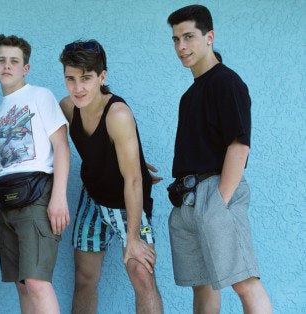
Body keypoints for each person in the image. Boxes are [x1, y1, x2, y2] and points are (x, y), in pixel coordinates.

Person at [166, 5, 272, 313]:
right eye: (175, 39)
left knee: (244, 281)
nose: (181, 47)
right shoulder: (190, 96)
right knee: (202, 286)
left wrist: (219, 202)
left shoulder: (226, 82)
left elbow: (239, 146)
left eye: (189, 37)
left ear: (209, 37)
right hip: (187, 199)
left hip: (215, 193)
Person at [59, 39, 164, 313]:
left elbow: (133, 180)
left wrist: (132, 240)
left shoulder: (117, 114)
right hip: (92, 197)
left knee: (142, 274)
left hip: (126, 200)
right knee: (84, 278)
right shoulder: (68, 108)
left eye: (86, 78)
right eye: (70, 79)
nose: (78, 88)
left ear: (102, 77)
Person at [0, 34, 70, 314]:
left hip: (37, 196)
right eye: (1, 60)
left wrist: (58, 198)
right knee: (22, 284)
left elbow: (61, 146)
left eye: (14, 61)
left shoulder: (40, 96)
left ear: (26, 68)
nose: (7, 66)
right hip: (5, 203)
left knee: (36, 282)